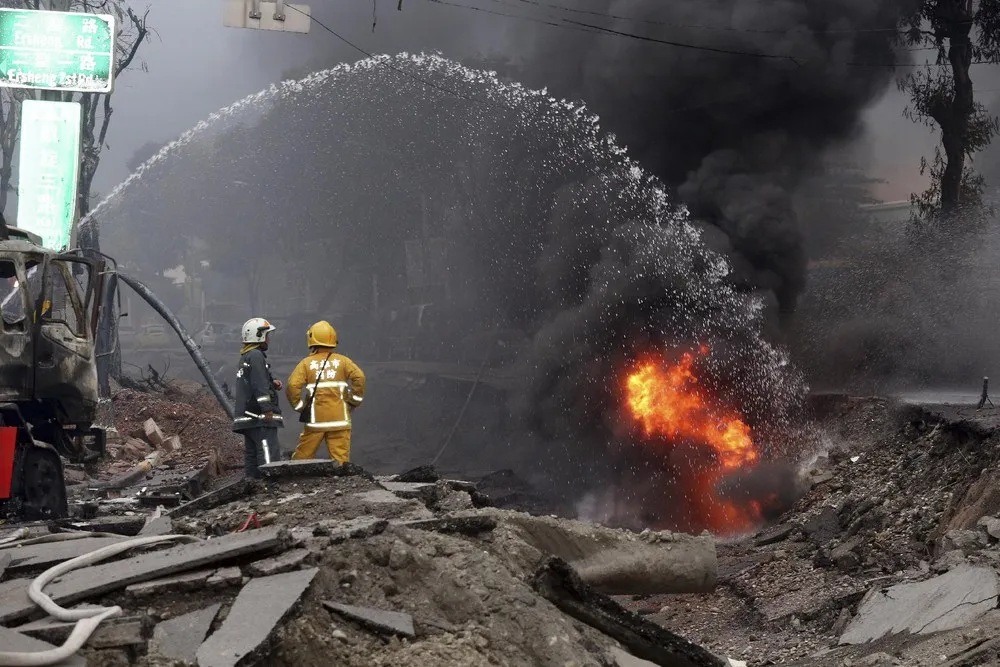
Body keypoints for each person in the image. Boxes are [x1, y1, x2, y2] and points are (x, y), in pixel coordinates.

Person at [286, 320, 365, 464]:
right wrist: (354, 401)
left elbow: (292, 385)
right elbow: (359, 377)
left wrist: (300, 407)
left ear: (311, 339)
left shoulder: (306, 364)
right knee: (340, 459)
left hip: (316, 420)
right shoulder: (343, 362)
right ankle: (341, 483)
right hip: (340, 419)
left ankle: (296, 479)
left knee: (303, 455)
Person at [232, 317, 283, 478]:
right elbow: (258, 385)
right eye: (267, 335)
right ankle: (269, 486)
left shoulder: (246, 356)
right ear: (258, 336)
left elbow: (253, 381)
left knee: (252, 453)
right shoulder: (255, 356)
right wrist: (267, 409)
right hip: (259, 417)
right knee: (267, 451)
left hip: (247, 416)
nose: (268, 339)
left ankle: (252, 485)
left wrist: (271, 383)